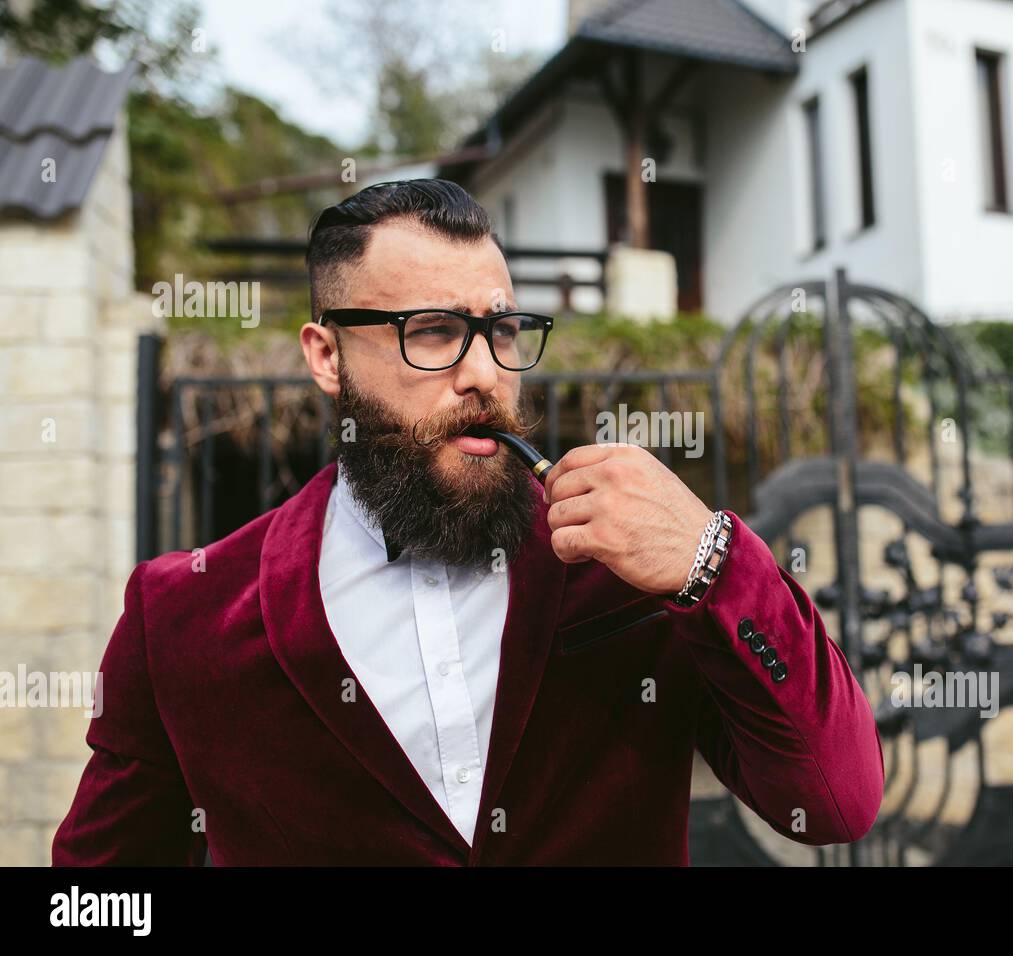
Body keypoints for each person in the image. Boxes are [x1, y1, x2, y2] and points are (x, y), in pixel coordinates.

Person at [52, 179, 884, 865]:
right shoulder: (183, 614)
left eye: (503, 331)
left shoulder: (624, 567)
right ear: (326, 356)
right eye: (435, 333)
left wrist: (715, 561)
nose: (485, 373)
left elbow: (836, 802)